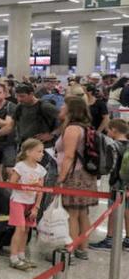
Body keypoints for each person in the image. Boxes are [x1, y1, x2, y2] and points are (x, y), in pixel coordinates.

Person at [55, 95, 97, 261]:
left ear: (71, 110)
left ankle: (70, 250)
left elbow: (69, 156)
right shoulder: (86, 127)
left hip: (74, 175)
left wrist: (61, 178)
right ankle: (82, 249)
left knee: (71, 214)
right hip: (86, 175)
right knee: (82, 214)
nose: (61, 109)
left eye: (64, 106)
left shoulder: (72, 129)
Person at [7, 138, 46, 271]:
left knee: (27, 230)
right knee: (20, 228)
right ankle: (13, 257)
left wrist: (36, 206)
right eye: (39, 151)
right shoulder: (20, 167)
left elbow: (41, 190)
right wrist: (30, 185)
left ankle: (21, 254)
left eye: (42, 151)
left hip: (31, 202)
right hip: (18, 201)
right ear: (29, 152)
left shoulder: (41, 170)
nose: (42, 154)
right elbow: (12, 184)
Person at [91, 119, 129, 250]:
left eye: (108, 130)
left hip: (116, 184)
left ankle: (109, 239)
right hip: (128, 184)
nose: (107, 132)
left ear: (114, 130)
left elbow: (109, 167)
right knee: (127, 210)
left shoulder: (112, 146)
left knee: (112, 211)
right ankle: (128, 240)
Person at [13, 83, 60, 149]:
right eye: (17, 96)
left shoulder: (45, 106)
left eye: (22, 96)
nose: (19, 99)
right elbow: (13, 125)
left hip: (42, 147)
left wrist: (53, 134)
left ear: (31, 94)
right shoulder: (19, 107)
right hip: (24, 146)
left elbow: (67, 119)